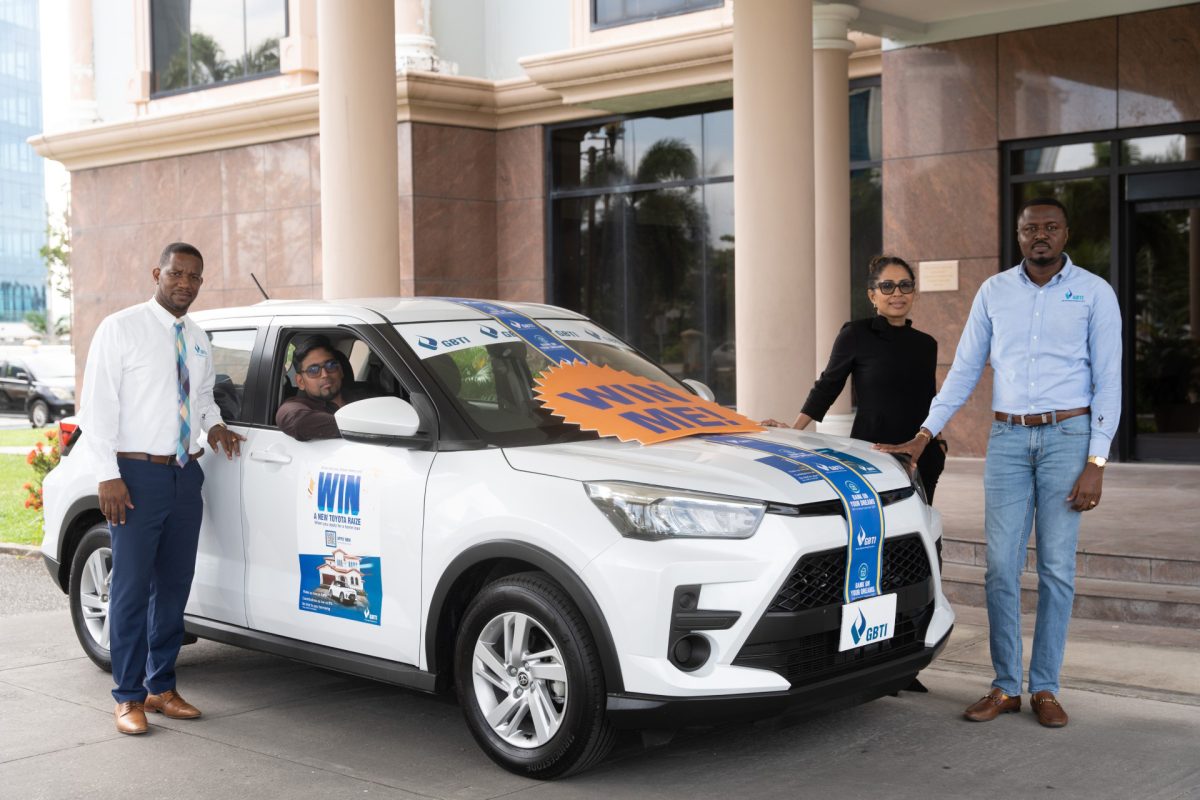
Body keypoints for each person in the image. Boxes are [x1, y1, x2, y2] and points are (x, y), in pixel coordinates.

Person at [876, 197, 1121, 728]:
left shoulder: (1095, 293)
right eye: (1030, 228)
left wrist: (1096, 460)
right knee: (1000, 569)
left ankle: (1046, 688)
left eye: (1050, 227)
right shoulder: (995, 292)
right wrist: (924, 434)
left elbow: (1110, 381)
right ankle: (1007, 685)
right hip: (1008, 439)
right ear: (1018, 235)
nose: (1040, 235)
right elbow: (964, 370)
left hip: (1069, 437)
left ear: (1065, 233)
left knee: (1056, 570)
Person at [78, 242, 245, 735]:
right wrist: (107, 474)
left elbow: (202, 397)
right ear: (158, 272)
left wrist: (213, 427)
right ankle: (127, 697)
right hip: (135, 476)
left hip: (184, 474)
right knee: (130, 589)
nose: (185, 284)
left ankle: (160, 687)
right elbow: (98, 408)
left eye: (195, 277)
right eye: (177, 274)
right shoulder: (121, 328)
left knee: (174, 587)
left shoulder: (196, 337)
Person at [763, 255, 947, 500]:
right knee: (878, 530)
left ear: (914, 292)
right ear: (873, 295)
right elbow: (828, 386)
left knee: (921, 529)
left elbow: (928, 398)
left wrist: (939, 442)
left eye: (905, 285)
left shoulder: (926, 344)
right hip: (872, 454)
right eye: (887, 286)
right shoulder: (856, 334)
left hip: (921, 455)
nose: (897, 293)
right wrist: (794, 432)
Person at [276, 335, 372, 440]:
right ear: (300, 382)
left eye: (331, 365)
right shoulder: (295, 407)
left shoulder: (364, 397)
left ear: (340, 370)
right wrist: (368, 427)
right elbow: (297, 421)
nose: (325, 374)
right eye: (313, 370)